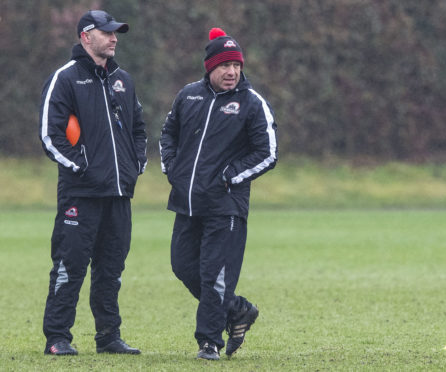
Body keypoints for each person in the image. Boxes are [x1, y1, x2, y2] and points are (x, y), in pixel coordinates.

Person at [159, 27, 277, 360]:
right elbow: (168, 136)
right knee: (182, 266)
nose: (232, 72)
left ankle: (209, 342)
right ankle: (238, 309)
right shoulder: (188, 96)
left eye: (237, 66)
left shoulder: (252, 104)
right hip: (187, 203)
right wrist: (174, 170)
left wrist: (229, 176)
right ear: (210, 68)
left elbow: (267, 152)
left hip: (226, 206)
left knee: (214, 275)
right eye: (225, 66)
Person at [38, 10, 147, 356]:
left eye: (116, 33)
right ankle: (57, 338)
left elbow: (139, 130)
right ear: (86, 36)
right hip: (80, 194)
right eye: (107, 33)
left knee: (111, 270)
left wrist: (134, 166)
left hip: (118, 194)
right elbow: (50, 134)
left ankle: (108, 337)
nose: (114, 38)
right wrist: (82, 166)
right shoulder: (65, 79)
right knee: (70, 266)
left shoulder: (123, 81)